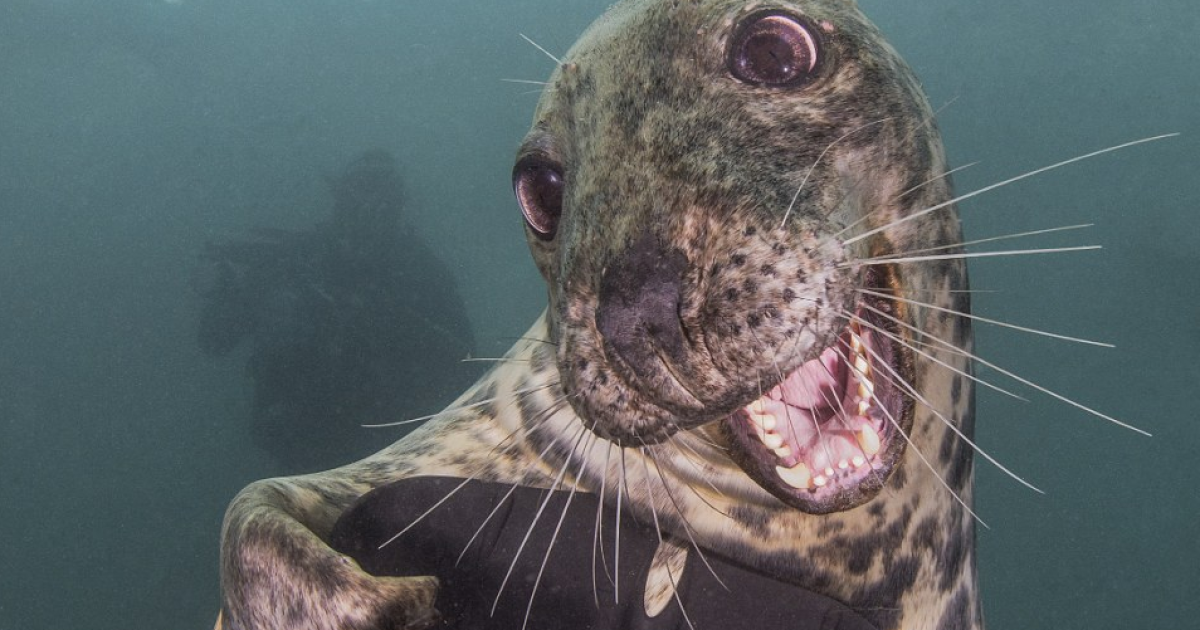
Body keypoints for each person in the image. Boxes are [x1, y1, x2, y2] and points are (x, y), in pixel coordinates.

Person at [197, 149, 477, 472]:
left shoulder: (425, 276)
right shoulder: (295, 262)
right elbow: (214, 339)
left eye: (384, 192)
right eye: (363, 188)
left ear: (399, 202)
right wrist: (230, 293)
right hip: (304, 455)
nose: (372, 205)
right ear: (340, 196)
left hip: (399, 461)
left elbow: (467, 371)